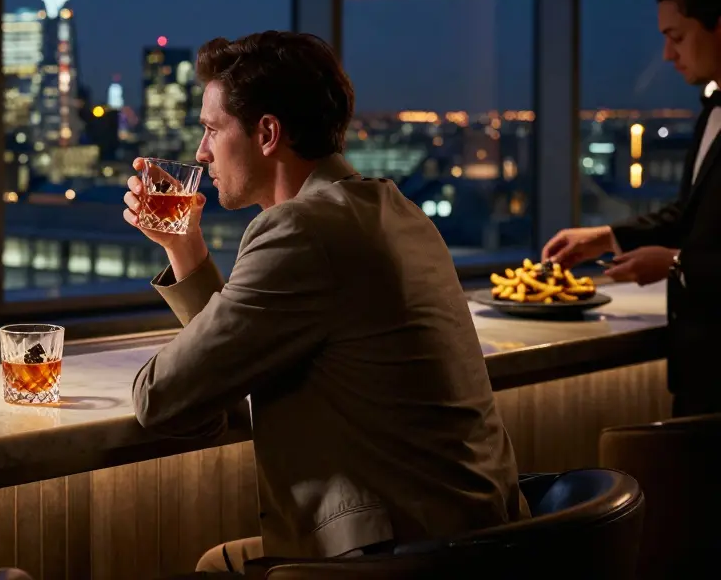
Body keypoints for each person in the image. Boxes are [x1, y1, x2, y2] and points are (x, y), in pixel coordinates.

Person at [124, 30, 528, 572]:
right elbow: (229, 359)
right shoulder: (394, 210)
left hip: (403, 558)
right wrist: (184, 247)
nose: (201, 152)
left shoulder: (300, 231)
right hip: (485, 539)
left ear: (267, 133)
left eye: (212, 130)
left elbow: (161, 397)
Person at [542, 0, 721, 418]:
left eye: (675, 37)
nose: (667, 55)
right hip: (699, 376)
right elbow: (690, 215)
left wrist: (678, 264)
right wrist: (604, 237)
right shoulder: (710, 113)